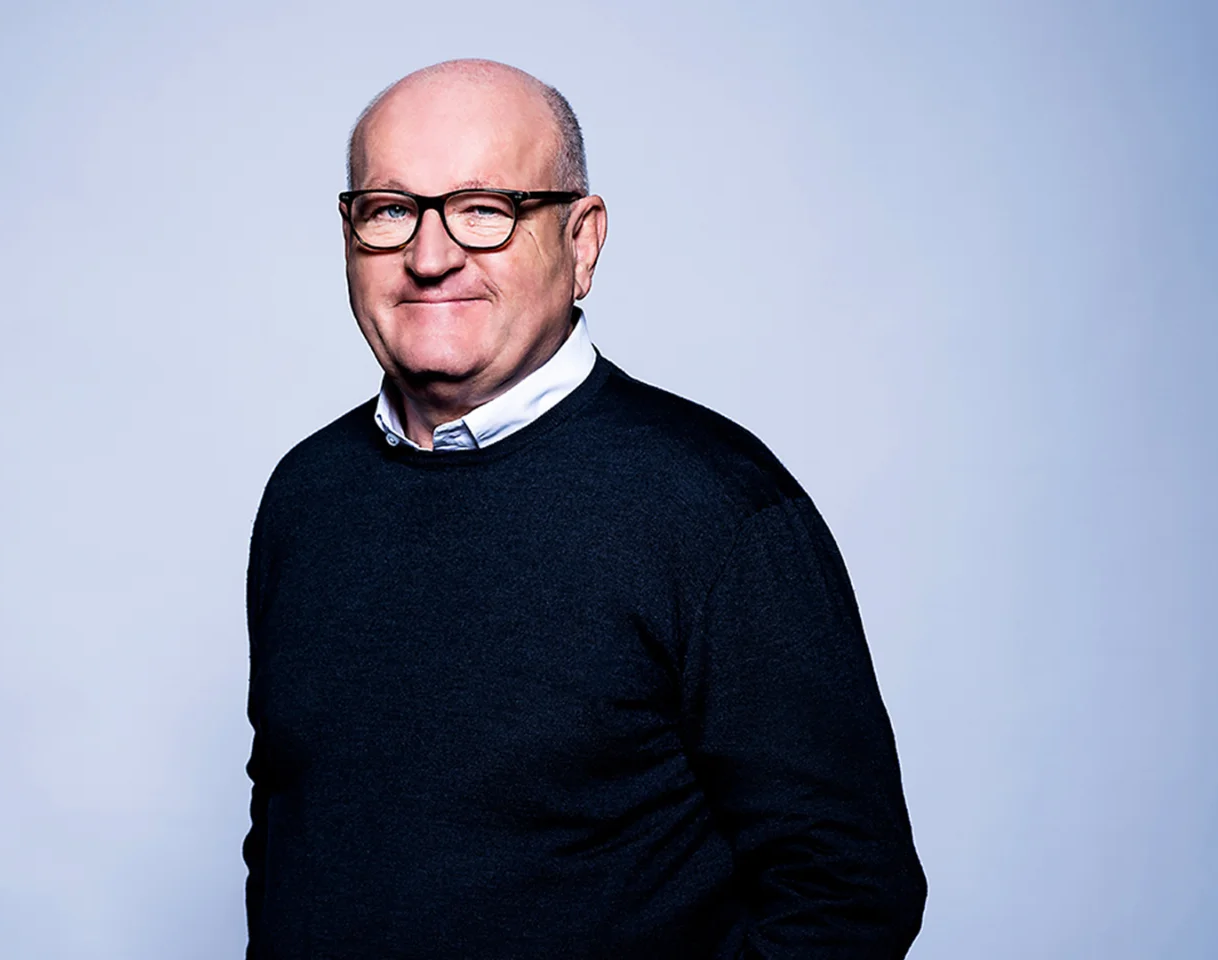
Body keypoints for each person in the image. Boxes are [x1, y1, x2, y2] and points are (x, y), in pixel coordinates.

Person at [244, 59, 926, 959]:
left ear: (583, 240)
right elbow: (292, 842)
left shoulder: (718, 508)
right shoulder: (306, 496)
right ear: (348, 232)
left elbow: (848, 890)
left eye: (485, 210)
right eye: (390, 210)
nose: (430, 254)